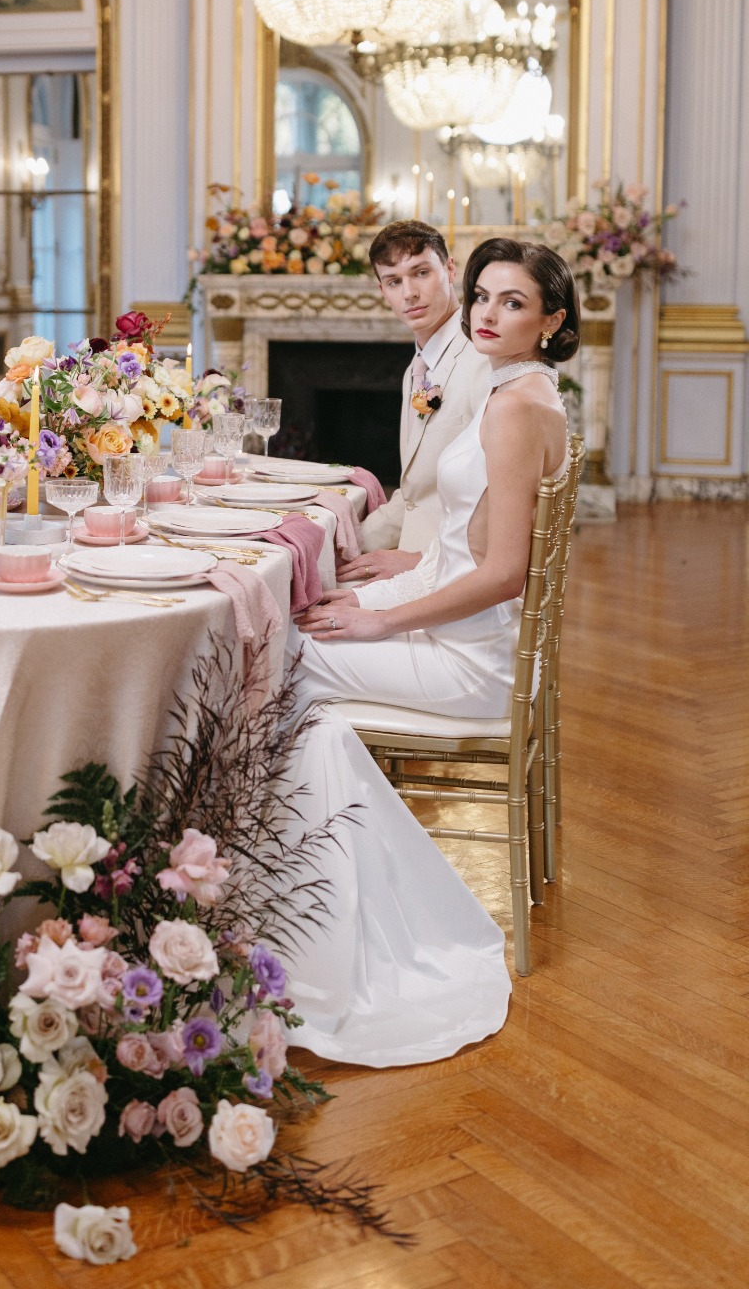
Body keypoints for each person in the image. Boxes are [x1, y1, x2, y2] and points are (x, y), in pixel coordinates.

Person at [277, 239, 579, 1066]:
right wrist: (398, 578)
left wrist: (384, 622)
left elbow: (506, 573)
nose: (486, 313)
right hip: (467, 634)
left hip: (470, 660)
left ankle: (318, 907)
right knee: (306, 621)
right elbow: (476, 538)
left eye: (512, 303)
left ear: (551, 321)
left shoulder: (513, 409)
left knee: (274, 655)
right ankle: (325, 886)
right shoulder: (523, 391)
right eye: (482, 296)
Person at [347, 220, 491, 587]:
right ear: (383, 291)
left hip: (455, 575)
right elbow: (414, 498)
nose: (409, 293)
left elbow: (500, 502)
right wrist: (336, 548)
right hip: (415, 556)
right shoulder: (418, 368)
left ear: (450, 269)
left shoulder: (483, 360)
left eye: (421, 273)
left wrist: (417, 561)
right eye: (394, 281)